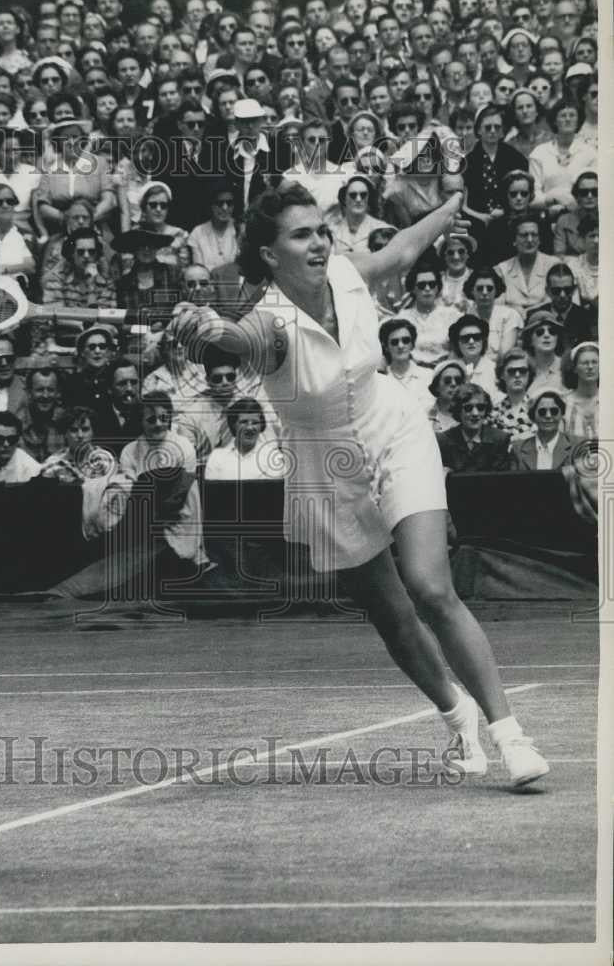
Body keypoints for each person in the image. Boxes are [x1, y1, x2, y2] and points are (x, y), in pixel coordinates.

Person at [198, 182, 550, 786]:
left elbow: (405, 250)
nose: (318, 242)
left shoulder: (346, 271)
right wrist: (204, 329)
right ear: (269, 255)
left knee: (429, 587)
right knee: (389, 611)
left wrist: (447, 209)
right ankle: (455, 712)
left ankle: (510, 735)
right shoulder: (268, 325)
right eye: (300, 234)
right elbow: (237, 341)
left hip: (393, 428)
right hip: (324, 462)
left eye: (320, 230)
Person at [120, 390, 208, 569]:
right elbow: (132, 494)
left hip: (181, 511)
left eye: (163, 418)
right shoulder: (129, 451)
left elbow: (186, 489)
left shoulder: (183, 446)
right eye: (151, 420)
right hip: (146, 517)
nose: (159, 424)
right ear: (141, 422)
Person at [204, 397, 286, 481]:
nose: (250, 428)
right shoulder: (217, 457)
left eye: (255, 423)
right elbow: (213, 492)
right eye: (244, 422)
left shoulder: (274, 457)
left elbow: (274, 492)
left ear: (261, 426)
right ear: (233, 425)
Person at [437, 383, 511, 473]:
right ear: (458, 410)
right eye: (468, 408)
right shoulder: (444, 441)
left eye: (480, 407)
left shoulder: (499, 440)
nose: (475, 413)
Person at [509, 391, 582, 471]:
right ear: (533, 416)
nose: (548, 416)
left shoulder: (577, 446)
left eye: (554, 411)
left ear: (562, 414)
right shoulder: (518, 449)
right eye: (542, 412)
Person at [377, 319, 432, 411]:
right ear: (386, 347)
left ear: (412, 344)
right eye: (394, 342)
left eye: (406, 340)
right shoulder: (380, 380)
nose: (401, 346)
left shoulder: (429, 376)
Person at [489, 348, 536, 440]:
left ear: (529, 374)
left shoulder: (538, 408)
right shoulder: (493, 413)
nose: (517, 375)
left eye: (522, 370)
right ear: (502, 374)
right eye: (511, 371)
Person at [521, 309, 567, 396]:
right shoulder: (523, 369)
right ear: (530, 340)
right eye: (540, 332)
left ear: (557, 338)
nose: (546, 335)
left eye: (552, 332)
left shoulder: (567, 367)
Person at [561, 341, 599, 439]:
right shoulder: (564, 402)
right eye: (585, 363)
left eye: (594, 362)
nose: (590, 367)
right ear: (575, 368)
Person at [426, 359, 466, 434]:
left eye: (458, 380)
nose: (453, 384)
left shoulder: (469, 414)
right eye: (447, 381)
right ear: (436, 386)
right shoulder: (424, 415)